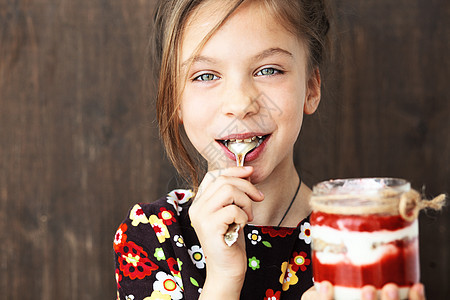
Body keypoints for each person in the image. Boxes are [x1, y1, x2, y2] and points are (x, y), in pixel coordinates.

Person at [113, 0, 426, 299]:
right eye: (205, 75)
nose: (239, 104)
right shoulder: (152, 236)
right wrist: (223, 279)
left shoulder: (363, 240)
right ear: (174, 99)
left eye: (268, 70)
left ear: (312, 88)